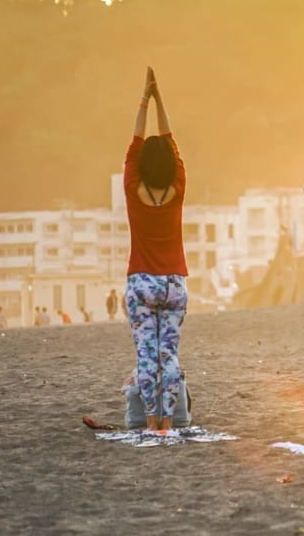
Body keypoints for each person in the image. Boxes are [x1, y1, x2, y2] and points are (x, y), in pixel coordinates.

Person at [124, 67, 189, 432]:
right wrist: (160, 98)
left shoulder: (133, 189)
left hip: (141, 283)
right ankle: (168, 422)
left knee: (147, 356)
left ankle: (152, 422)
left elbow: (135, 144)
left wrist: (145, 99)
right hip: (174, 284)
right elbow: (170, 140)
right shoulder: (178, 188)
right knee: (169, 355)